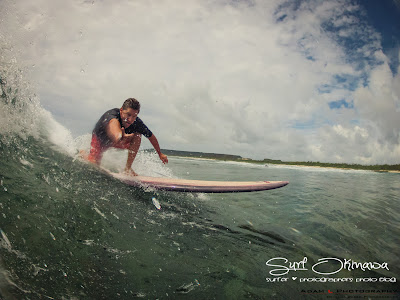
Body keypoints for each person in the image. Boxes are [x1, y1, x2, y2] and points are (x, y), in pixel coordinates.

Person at [87, 98, 168, 176]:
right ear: (121, 110)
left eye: (134, 116)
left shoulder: (137, 123)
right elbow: (114, 127)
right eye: (128, 115)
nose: (130, 119)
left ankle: (127, 168)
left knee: (137, 135)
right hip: (101, 140)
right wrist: (120, 136)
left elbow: (151, 137)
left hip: (120, 140)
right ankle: (83, 154)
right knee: (94, 164)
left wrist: (160, 154)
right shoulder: (112, 115)